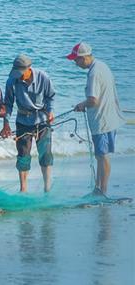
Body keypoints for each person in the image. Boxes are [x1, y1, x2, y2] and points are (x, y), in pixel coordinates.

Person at [67, 42, 125, 196]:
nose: (75, 63)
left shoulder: (93, 73)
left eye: (76, 60)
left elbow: (93, 100)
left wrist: (81, 104)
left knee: (102, 155)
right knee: (101, 155)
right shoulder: (102, 65)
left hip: (102, 121)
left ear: (84, 58)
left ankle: (102, 190)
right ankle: (98, 188)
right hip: (109, 118)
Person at [0, 54, 55, 193]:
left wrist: (50, 111)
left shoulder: (43, 77)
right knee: (23, 155)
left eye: (20, 74)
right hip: (23, 121)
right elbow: (8, 104)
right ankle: (23, 189)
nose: (18, 76)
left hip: (42, 120)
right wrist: (6, 123)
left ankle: (47, 188)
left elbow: (50, 96)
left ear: (29, 69)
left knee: (46, 155)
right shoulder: (11, 81)